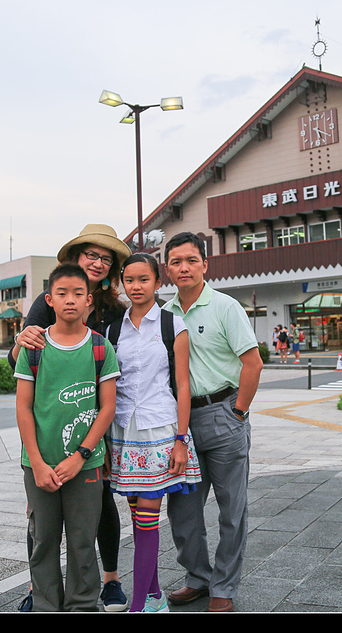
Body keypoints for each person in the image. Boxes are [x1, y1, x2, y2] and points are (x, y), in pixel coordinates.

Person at [9, 224, 132, 612]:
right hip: (46, 439)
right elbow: (22, 361)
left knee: (97, 510)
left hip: (95, 429)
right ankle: (40, 592)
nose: (97, 262)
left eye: (105, 258)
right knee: (43, 527)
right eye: (90, 255)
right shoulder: (50, 305)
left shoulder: (114, 311)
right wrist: (20, 343)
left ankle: (104, 585)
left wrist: (88, 449)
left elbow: (109, 395)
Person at [162, 232, 262, 613]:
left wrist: (237, 411)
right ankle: (198, 578)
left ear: (205, 264)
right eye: (175, 261)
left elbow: (253, 363)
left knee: (231, 509)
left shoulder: (225, 307)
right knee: (183, 510)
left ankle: (224, 586)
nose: (183, 267)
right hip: (181, 423)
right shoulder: (165, 314)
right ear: (167, 269)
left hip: (223, 414)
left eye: (191, 260)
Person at [105, 253, 202, 613]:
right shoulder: (114, 330)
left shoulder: (172, 325)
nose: (136, 286)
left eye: (143, 279)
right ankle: (155, 596)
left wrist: (181, 439)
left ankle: (136, 607)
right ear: (122, 284)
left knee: (146, 519)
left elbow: (182, 385)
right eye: (129, 280)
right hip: (123, 433)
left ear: (158, 283)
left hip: (160, 432)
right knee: (137, 516)